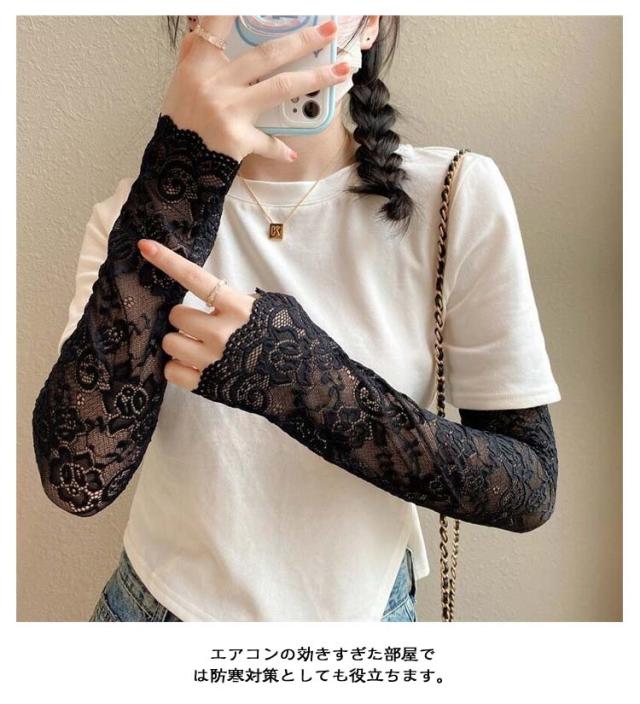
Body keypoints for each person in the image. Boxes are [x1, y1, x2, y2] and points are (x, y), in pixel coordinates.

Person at [31, 16, 561, 622]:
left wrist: (300, 380)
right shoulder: (140, 214)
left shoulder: (453, 195)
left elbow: (530, 486)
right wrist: (179, 161)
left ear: (369, 23)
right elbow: (76, 477)